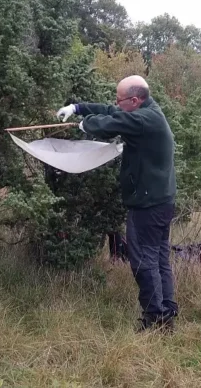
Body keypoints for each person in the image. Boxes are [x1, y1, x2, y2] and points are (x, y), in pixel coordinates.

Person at [56, 75, 178, 332]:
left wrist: (84, 125)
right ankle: (166, 314)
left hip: (148, 203)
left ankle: (155, 319)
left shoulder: (143, 119)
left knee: (144, 260)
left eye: (120, 98)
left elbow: (110, 123)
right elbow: (112, 111)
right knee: (158, 258)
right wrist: (77, 108)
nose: (116, 102)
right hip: (160, 200)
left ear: (135, 100)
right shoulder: (146, 111)